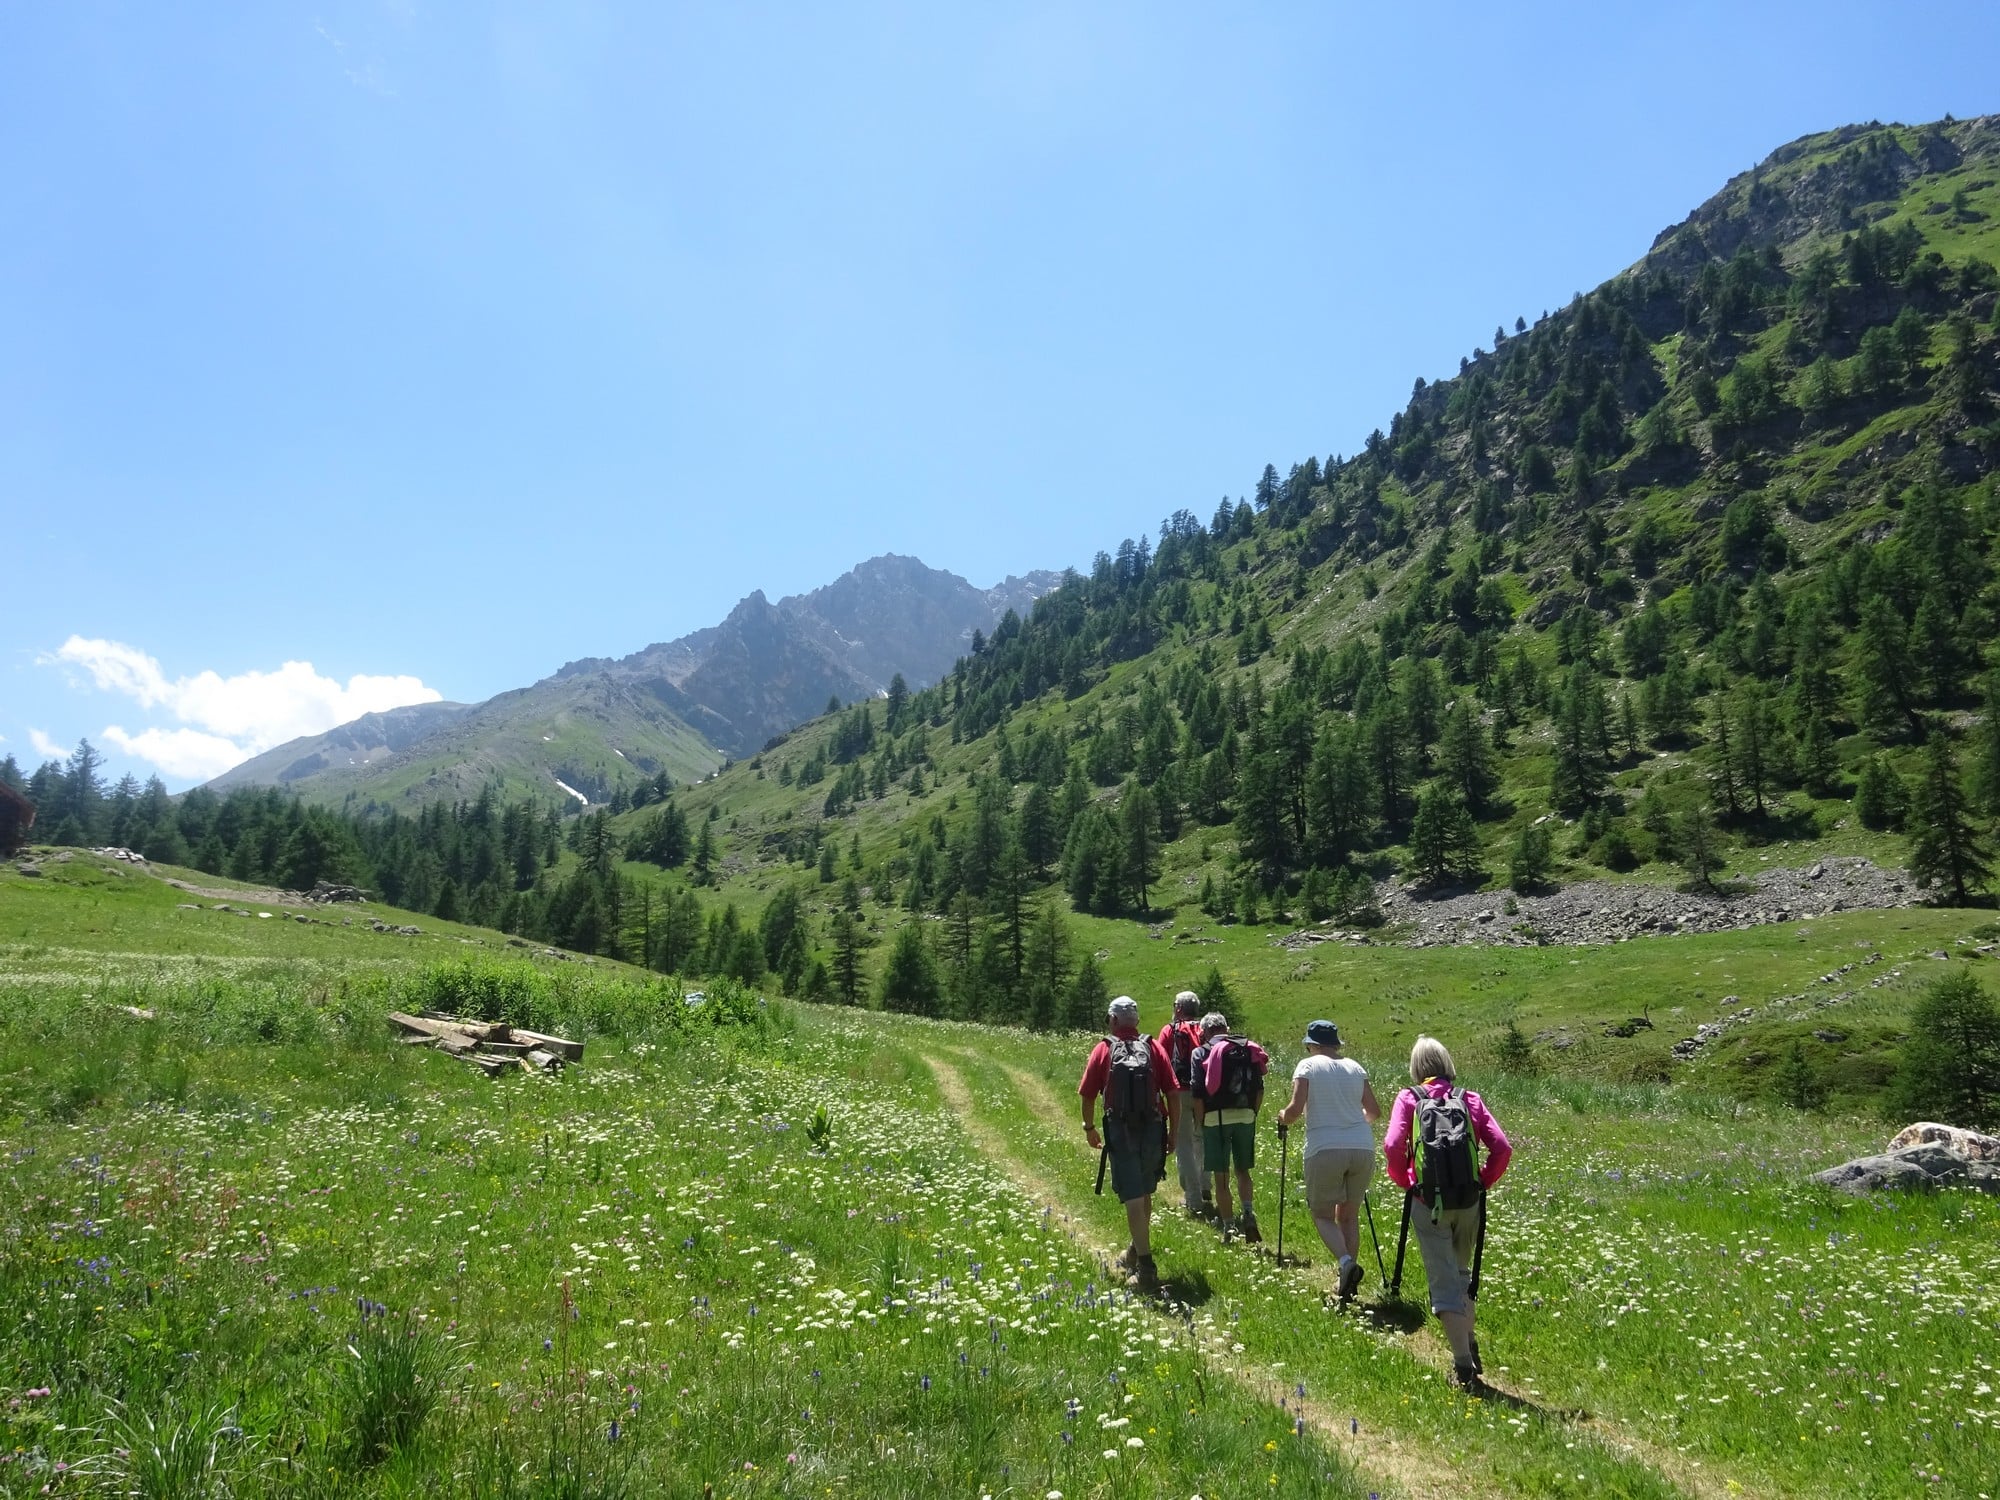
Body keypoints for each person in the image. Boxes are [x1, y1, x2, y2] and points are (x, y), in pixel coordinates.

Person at [1382, 1034, 1511, 1390]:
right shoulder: (1468, 1099)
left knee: (1443, 1286)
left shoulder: (1410, 1098)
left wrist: (1406, 1180)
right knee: (1461, 1273)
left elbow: (1393, 1145)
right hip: (1468, 1201)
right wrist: (1482, 1182)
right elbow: (1502, 1147)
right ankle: (1468, 1341)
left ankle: (1464, 1368)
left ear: (1417, 1067)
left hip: (1429, 1202)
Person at [1079, 995, 1179, 1291]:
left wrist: (1089, 1127)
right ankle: (1134, 1253)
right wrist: (1173, 1132)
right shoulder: (1153, 1046)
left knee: (1134, 1197)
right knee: (1145, 1191)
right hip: (1152, 1126)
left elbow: (1087, 1093)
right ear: (1136, 1021)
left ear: (1112, 1020)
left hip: (1120, 1127)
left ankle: (1146, 1268)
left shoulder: (1104, 1049)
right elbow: (1172, 1092)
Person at [1274, 1019, 1380, 1300]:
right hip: (1362, 1147)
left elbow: (1295, 1110)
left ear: (1312, 1044)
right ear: (1336, 1044)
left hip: (1325, 1147)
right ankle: (1348, 1280)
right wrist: (1353, 1125)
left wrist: (1282, 1117)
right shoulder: (1355, 1067)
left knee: (1322, 1214)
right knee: (1348, 1214)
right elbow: (1373, 1111)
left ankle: (1346, 1263)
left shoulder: (1307, 1066)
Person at [1192, 1011, 1268, 1243]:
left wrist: (1200, 1120)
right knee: (1243, 1170)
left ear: (1204, 1032)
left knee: (1221, 1176)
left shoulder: (1201, 1052)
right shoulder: (1247, 1049)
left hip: (1216, 1118)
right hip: (1245, 1114)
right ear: (1226, 1027)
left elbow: (1197, 1094)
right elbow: (1260, 1089)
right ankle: (1248, 1213)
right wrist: (1252, 1113)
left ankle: (1228, 1227)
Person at [1157, 991, 1210, 1217]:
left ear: (1178, 1008)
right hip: (1204, 1092)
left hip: (1178, 1092)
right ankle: (1206, 1186)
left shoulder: (1169, 1030)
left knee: (1184, 1144)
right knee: (1202, 1140)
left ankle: (1194, 1198)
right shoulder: (1205, 1029)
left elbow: (1160, 1060)